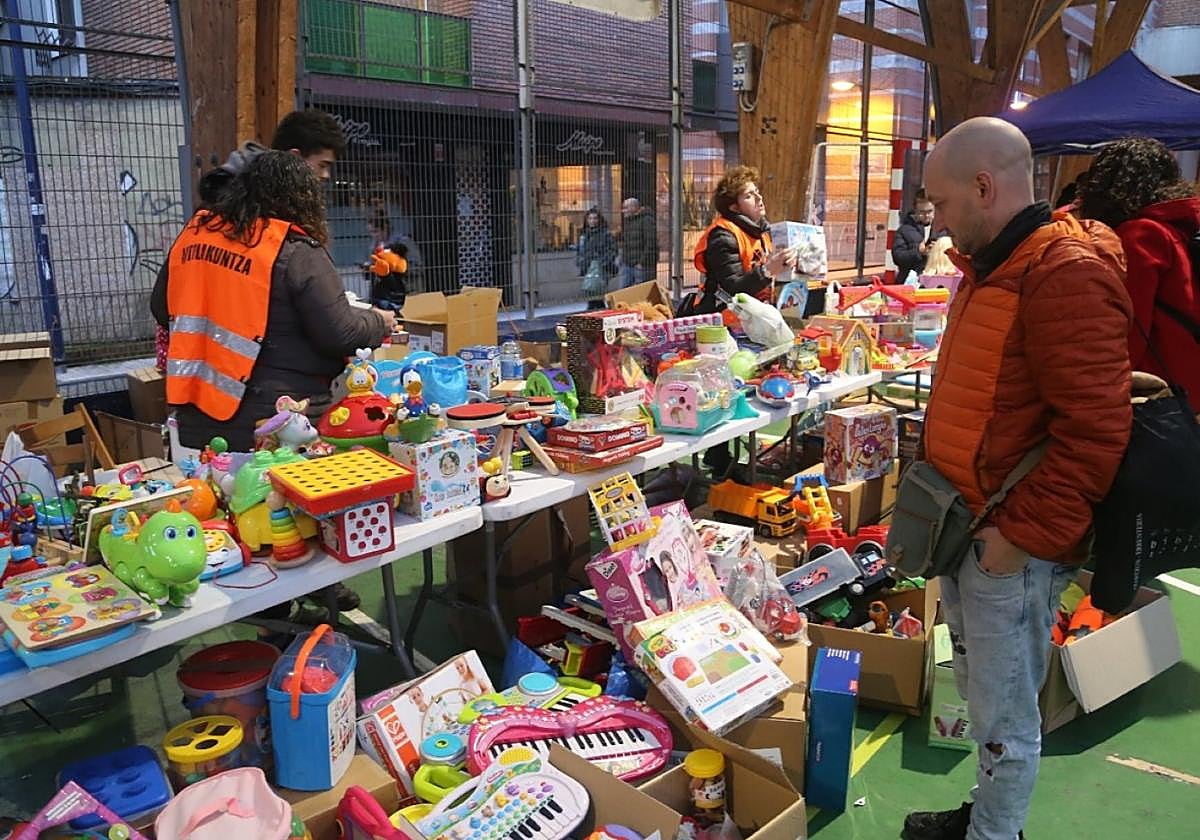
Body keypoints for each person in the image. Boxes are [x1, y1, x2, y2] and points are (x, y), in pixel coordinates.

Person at [907, 117, 1132, 840]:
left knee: (1006, 717)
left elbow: (1096, 433)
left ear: (983, 186)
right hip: (967, 529)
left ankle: (996, 835)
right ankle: (985, 816)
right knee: (981, 697)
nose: (935, 222)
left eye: (940, 204)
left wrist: (1018, 538)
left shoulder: (1062, 274)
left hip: (1007, 543)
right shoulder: (995, 268)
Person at [1077, 137, 1200, 413]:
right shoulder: (1183, 228)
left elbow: (1128, 328)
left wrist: (1099, 390)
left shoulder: (1142, 235)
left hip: (1160, 396)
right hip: (1189, 387)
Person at [690, 165, 795, 314]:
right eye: (749, 196)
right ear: (734, 208)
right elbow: (734, 289)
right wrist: (768, 270)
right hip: (722, 320)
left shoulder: (763, 231)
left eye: (757, 191)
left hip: (754, 315)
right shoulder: (722, 236)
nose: (759, 198)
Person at [197, 109, 346, 205]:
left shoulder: (238, 193)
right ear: (294, 158)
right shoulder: (263, 207)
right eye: (322, 165)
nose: (326, 175)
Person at [364, 213, 424, 310]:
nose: (373, 236)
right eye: (371, 232)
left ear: (385, 228)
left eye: (376, 231)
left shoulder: (403, 242)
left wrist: (395, 268)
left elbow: (417, 266)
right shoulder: (374, 245)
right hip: (384, 293)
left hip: (405, 289)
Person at [576, 207, 618, 308]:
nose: (592, 221)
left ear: (599, 220)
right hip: (588, 268)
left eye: (595, 218)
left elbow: (613, 250)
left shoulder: (605, 234)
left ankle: (593, 315)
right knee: (593, 294)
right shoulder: (584, 234)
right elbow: (580, 251)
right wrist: (580, 262)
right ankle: (597, 314)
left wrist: (603, 262)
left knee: (595, 293)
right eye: (590, 218)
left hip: (601, 268)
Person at [892, 190, 935, 282]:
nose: (926, 215)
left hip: (934, 281)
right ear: (915, 210)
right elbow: (898, 257)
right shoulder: (904, 230)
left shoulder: (942, 229)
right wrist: (919, 252)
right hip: (910, 281)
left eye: (930, 211)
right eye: (922, 212)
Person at [619, 197, 659, 288]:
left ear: (634, 208)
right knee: (623, 291)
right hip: (628, 263)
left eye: (626, 208)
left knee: (641, 293)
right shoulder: (629, 221)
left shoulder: (647, 220)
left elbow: (651, 243)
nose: (623, 211)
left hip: (641, 265)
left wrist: (642, 262)